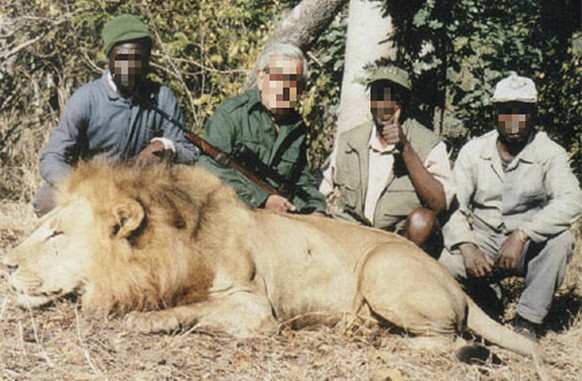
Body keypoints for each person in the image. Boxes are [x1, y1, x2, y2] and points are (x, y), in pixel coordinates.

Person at [439, 73, 582, 340]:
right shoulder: (474, 150)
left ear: (534, 114)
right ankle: (485, 297)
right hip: (483, 240)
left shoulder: (549, 152)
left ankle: (528, 319)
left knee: (561, 241)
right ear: (494, 113)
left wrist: (522, 234)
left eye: (522, 112)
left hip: (527, 245)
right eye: (506, 112)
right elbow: (453, 204)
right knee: (444, 262)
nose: (513, 121)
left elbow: (572, 200)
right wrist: (468, 247)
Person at [34, 14, 198, 216]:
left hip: (145, 189)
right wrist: (82, 186)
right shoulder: (86, 98)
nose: (129, 67)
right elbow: (52, 158)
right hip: (93, 188)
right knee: (46, 201)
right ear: (109, 58)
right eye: (122, 58)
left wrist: (165, 147)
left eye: (137, 59)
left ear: (147, 62)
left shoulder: (162, 96)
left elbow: (190, 153)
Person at [319, 66, 455, 255]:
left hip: (397, 242)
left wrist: (405, 148)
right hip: (349, 234)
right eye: (378, 97)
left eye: (394, 98)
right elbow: (322, 191)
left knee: (422, 221)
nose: (385, 105)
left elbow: (439, 204)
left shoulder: (428, 144)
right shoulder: (351, 140)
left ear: (406, 102)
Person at [197, 44, 326, 215]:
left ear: (301, 88)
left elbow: (301, 179)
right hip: (231, 214)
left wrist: (317, 209)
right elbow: (207, 168)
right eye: (278, 78)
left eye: (292, 81)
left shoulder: (297, 127)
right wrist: (262, 199)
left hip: (277, 219)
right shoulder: (231, 114)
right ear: (260, 78)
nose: (283, 88)